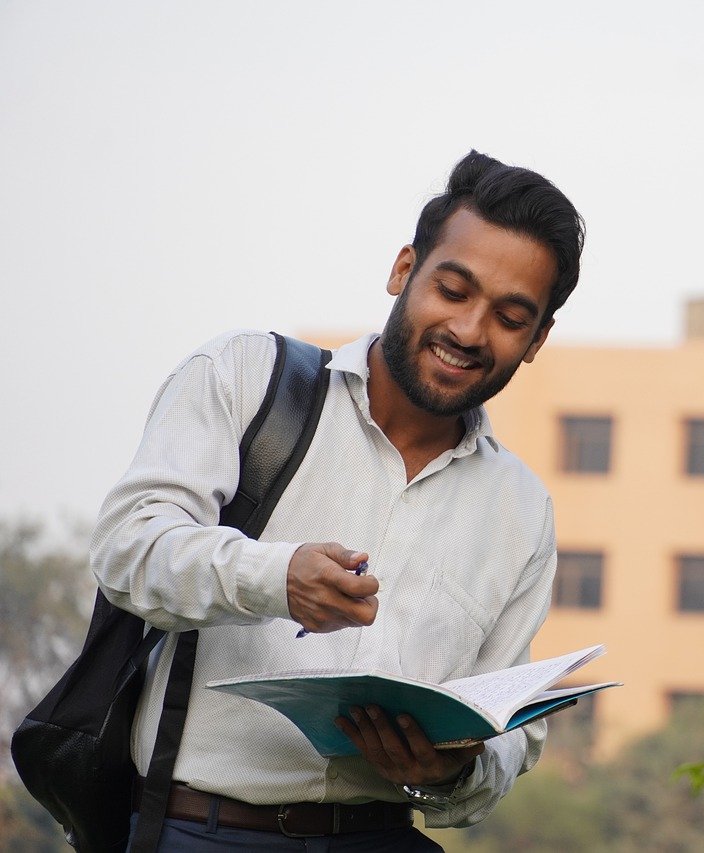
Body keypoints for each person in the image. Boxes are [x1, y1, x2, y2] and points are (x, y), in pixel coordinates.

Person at [90, 150, 585, 851]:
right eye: (453, 290)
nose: (470, 332)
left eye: (509, 316)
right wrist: (275, 577)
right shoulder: (245, 377)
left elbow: (516, 732)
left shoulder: (522, 509)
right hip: (201, 830)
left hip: (384, 835)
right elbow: (127, 548)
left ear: (537, 340)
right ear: (403, 270)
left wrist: (452, 771)